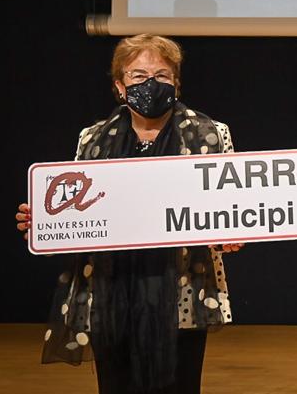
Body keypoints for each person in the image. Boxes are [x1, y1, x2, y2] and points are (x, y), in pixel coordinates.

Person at [15, 34, 242, 394]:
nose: (150, 84)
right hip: (111, 288)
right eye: (138, 76)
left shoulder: (210, 134)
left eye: (162, 75)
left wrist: (233, 230)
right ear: (120, 86)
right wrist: (45, 222)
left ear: (176, 83)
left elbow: (231, 206)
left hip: (182, 287)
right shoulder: (92, 139)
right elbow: (75, 206)